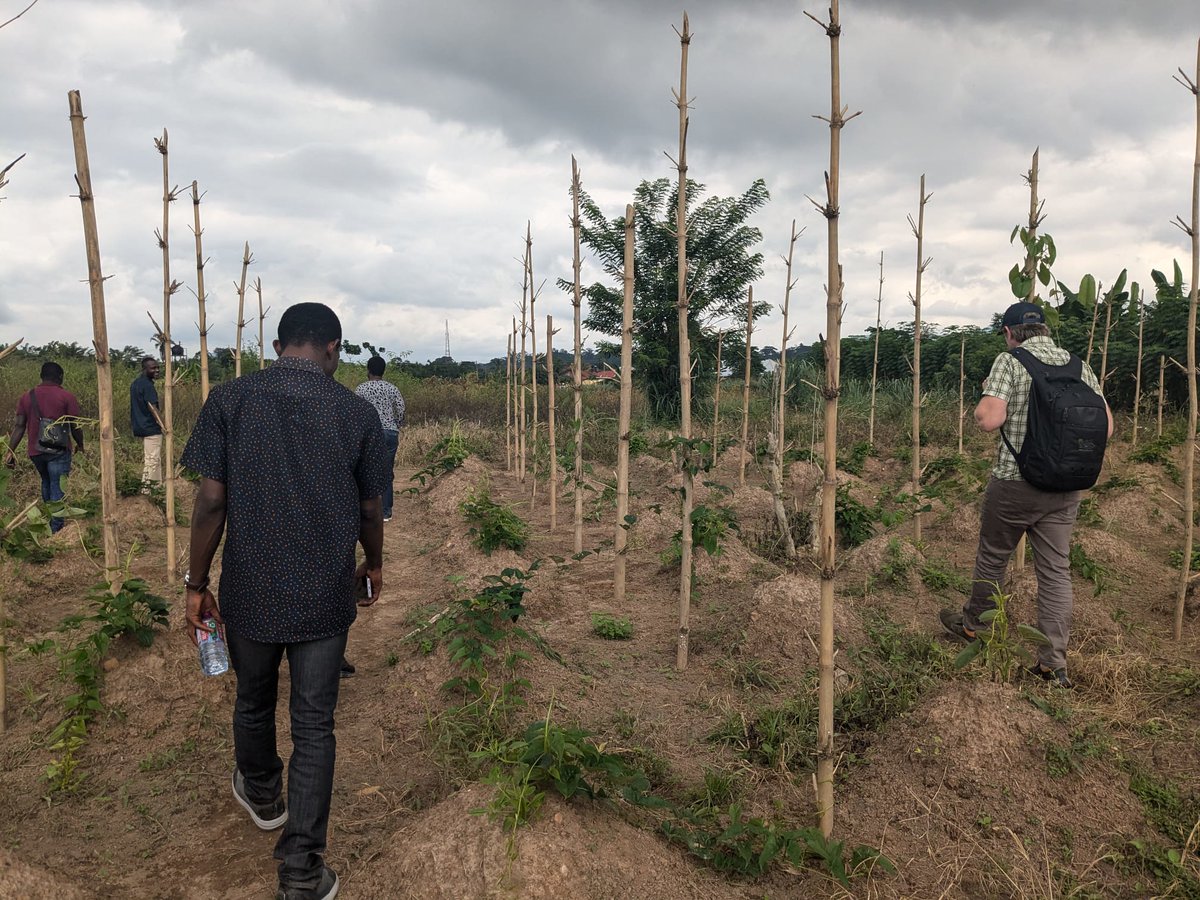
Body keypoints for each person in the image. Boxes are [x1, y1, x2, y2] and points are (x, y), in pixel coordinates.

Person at [181, 302, 387, 900]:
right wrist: (373, 563)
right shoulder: (356, 414)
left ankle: (263, 791)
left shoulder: (230, 400)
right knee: (314, 724)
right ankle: (300, 872)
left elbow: (211, 501)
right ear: (334, 350)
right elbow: (371, 509)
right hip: (324, 594)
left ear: (277, 346)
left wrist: (196, 585)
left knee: (253, 697)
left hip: (251, 588)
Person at [939, 301, 1114, 689]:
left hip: (1016, 484)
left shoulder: (1010, 361)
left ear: (1009, 332)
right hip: (1067, 487)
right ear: (1045, 330)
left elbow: (989, 420)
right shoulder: (1078, 365)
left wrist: (984, 399)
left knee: (993, 558)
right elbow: (1108, 426)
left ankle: (974, 630)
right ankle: (1053, 665)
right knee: (1055, 572)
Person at [5, 361, 85, 533]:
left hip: (36, 451)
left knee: (46, 481)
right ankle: (56, 528)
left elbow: (19, 426)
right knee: (57, 484)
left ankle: (50, 521)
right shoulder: (67, 397)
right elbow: (75, 426)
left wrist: (10, 451)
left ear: (41, 376)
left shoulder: (27, 396)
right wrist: (80, 444)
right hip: (59, 451)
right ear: (60, 377)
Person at [354, 355, 405, 522]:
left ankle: (366, 509)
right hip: (390, 433)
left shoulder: (361, 389)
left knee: (366, 470)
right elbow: (401, 408)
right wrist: (396, 424)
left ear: (368, 370)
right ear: (383, 371)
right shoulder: (392, 388)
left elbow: (356, 412)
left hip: (369, 433)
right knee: (386, 471)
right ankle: (386, 511)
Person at [130, 356, 162, 492]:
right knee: (152, 459)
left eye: (157, 367)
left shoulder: (135, 384)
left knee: (153, 457)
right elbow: (152, 406)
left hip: (139, 425)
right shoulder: (148, 386)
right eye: (153, 368)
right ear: (144, 369)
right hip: (150, 427)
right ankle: (147, 489)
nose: (157, 370)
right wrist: (163, 424)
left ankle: (157, 486)